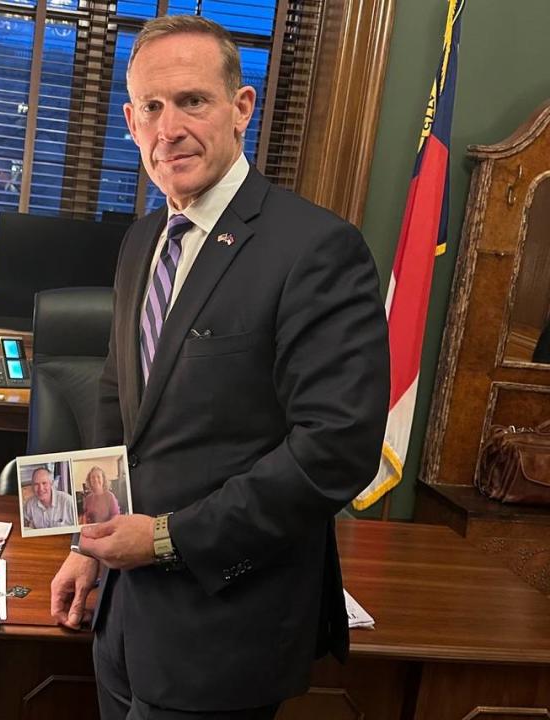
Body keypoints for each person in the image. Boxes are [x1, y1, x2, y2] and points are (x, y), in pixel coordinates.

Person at [49, 16, 390, 720]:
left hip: (224, 629)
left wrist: (168, 539)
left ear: (242, 109)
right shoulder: (142, 240)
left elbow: (336, 449)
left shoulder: (316, 248)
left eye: (192, 101)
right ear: (129, 121)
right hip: (119, 621)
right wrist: (91, 544)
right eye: (151, 106)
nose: (168, 127)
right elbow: (119, 401)